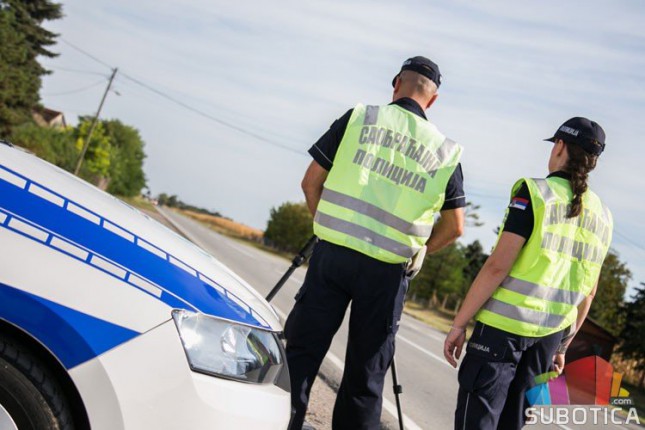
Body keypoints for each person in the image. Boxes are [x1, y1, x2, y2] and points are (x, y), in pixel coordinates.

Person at [284, 56, 466, 429]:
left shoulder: (359, 118)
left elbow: (310, 182)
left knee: (301, 353)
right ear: (433, 100)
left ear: (396, 83)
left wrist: (326, 225)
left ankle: (280, 421)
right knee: (365, 376)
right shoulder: (445, 151)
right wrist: (422, 251)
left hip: (333, 256)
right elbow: (455, 227)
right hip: (387, 272)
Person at [443, 117, 612, 430]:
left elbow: (498, 266)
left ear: (559, 146)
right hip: (549, 339)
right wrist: (562, 347)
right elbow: (588, 293)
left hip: (502, 330)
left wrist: (459, 323)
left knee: (477, 421)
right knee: (513, 422)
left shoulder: (536, 193)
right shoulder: (603, 216)